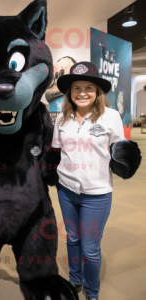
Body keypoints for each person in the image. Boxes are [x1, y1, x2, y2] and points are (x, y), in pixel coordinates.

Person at [52, 61, 125, 300]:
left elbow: (120, 151)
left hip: (97, 194)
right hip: (66, 190)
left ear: (97, 92)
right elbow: (57, 150)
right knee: (72, 238)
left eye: (89, 87)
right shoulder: (61, 119)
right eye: (77, 88)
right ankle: (75, 279)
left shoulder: (111, 117)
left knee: (90, 249)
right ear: (70, 93)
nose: (82, 92)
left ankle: (92, 293)